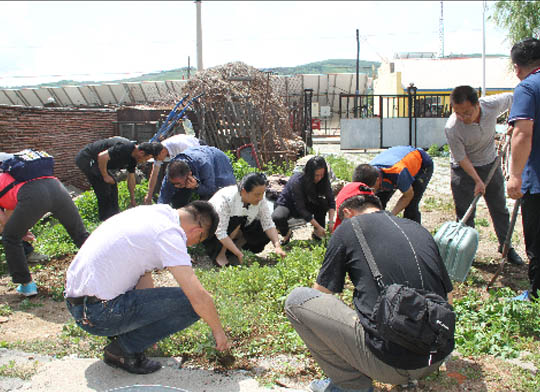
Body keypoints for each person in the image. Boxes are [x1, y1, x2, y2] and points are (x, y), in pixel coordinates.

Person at [284, 182, 454, 392]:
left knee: (297, 300)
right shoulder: (418, 229)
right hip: (434, 356)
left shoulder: (350, 227)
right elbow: (448, 297)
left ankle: (349, 386)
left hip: (389, 364)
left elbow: (320, 294)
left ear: (347, 212)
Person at [64, 201, 231, 374]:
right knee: (190, 303)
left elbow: (143, 273)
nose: (190, 245)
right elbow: (197, 297)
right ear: (197, 231)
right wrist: (219, 332)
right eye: (197, 241)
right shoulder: (169, 234)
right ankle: (123, 350)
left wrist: (146, 326)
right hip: (99, 314)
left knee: (187, 300)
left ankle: (127, 337)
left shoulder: (154, 214)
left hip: (80, 306)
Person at [444, 85, 523, 265]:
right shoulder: (452, 127)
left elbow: (515, 98)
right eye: (458, 113)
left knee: (499, 209)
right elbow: (461, 158)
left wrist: (514, 122)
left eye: (467, 112)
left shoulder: (491, 105)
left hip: (489, 164)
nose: (463, 118)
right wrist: (477, 181)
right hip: (463, 170)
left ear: (477, 104)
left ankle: (506, 246)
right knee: (465, 212)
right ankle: (465, 252)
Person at [0, 172, 89, 296]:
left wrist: (18, 232)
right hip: (56, 187)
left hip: (33, 194)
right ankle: (105, 266)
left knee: (10, 238)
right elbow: (13, 214)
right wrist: (21, 230)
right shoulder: (9, 178)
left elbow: (4, 223)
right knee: (80, 235)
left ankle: (26, 285)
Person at [507, 37, 540, 301]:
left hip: (538, 180)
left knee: (538, 240)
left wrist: (515, 175)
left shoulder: (528, 88)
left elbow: (523, 135)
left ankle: (536, 294)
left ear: (517, 67)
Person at [205, 172, 287, 267]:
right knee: (236, 220)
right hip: (213, 230)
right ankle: (221, 254)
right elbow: (220, 232)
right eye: (257, 195)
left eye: (262, 194)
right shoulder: (226, 199)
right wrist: (238, 254)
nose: (260, 198)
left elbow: (268, 224)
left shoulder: (260, 199)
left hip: (237, 227)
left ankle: (235, 250)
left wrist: (277, 246)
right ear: (244, 191)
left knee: (261, 230)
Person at [75, 137, 165, 221]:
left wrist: (132, 199)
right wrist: (105, 176)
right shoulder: (125, 148)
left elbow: (131, 178)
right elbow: (102, 156)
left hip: (97, 162)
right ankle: (104, 220)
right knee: (103, 188)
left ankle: (114, 217)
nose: (144, 162)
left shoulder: (133, 159)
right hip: (87, 158)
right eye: (145, 159)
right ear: (141, 153)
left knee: (113, 184)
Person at [352, 145, 433, 224]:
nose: (371, 191)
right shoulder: (368, 172)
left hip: (421, 165)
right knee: (378, 202)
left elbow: (408, 195)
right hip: (396, 159)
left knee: (411, 207)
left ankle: (414, 234)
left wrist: (391, 215)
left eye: (372, 189)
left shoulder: (398, 173)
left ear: (377, 180)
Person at [272, 156, 336, 244]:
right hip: (289, 205)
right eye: (317, 175)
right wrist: (318, 226)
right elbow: (300, 208)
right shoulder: (297, 181)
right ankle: (286, 233)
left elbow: (331, 201)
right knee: (277, 217)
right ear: (310, 173)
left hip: (307, 204)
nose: (319, 178)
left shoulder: (323, 180)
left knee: (323, 203)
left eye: (322, 175)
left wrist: (331, 221)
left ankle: (318, 234)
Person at [157, 145, 236, 208]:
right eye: (174, 184)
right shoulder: (172, 173)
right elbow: (163, 198)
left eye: (180, 184)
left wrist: (197, 186)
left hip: (218, 162)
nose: (177, 186)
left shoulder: (204, 165)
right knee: (178, 202)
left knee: (221, 197)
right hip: (194, 159)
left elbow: (210, 189)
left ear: (190, 174)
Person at [143, 134, 201, 205]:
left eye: (156, 158)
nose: (157, 160)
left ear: (162, 152)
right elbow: (154, 174)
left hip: (197, 149)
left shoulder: (180, 147)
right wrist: (149, 195)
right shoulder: (158, 150)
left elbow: (197, 160)